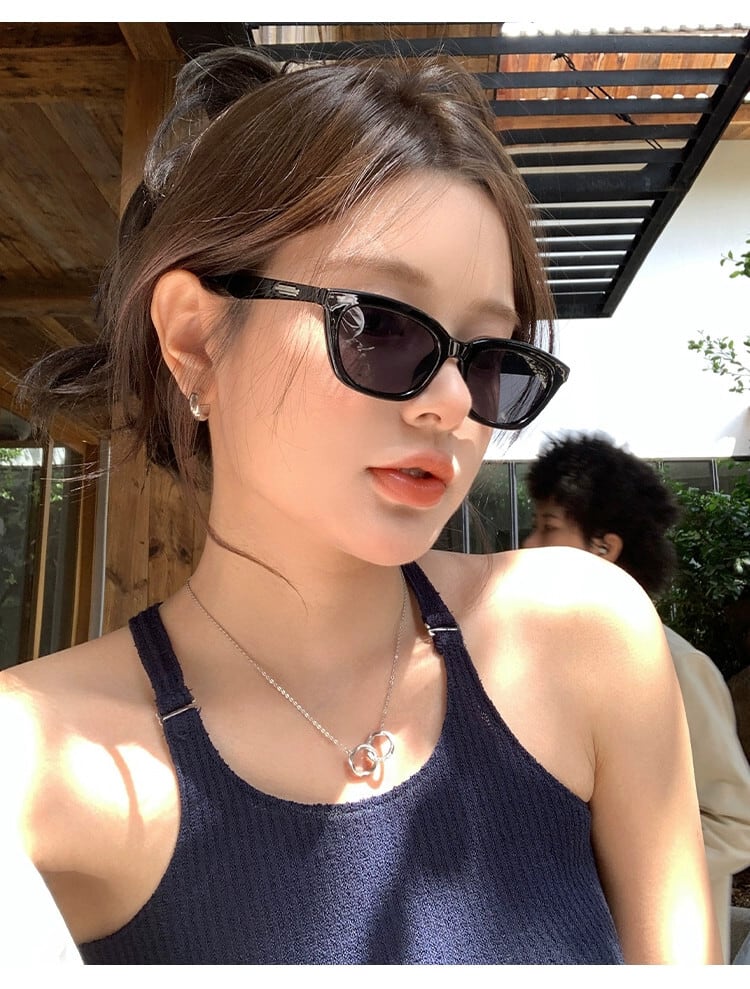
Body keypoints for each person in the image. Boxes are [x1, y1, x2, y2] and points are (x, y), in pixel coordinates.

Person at [0, 48, 721, 965]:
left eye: (490, 359)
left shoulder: (581, 637)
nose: (452, 402)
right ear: (195, 340)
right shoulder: (35, 761)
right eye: (379, 325)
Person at [523, 431, 750, 962]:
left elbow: (736, 820)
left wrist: (609, 872)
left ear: (604, 548)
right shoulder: (548, 659)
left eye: (548, 526)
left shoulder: (674, 665)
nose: (529, 544)